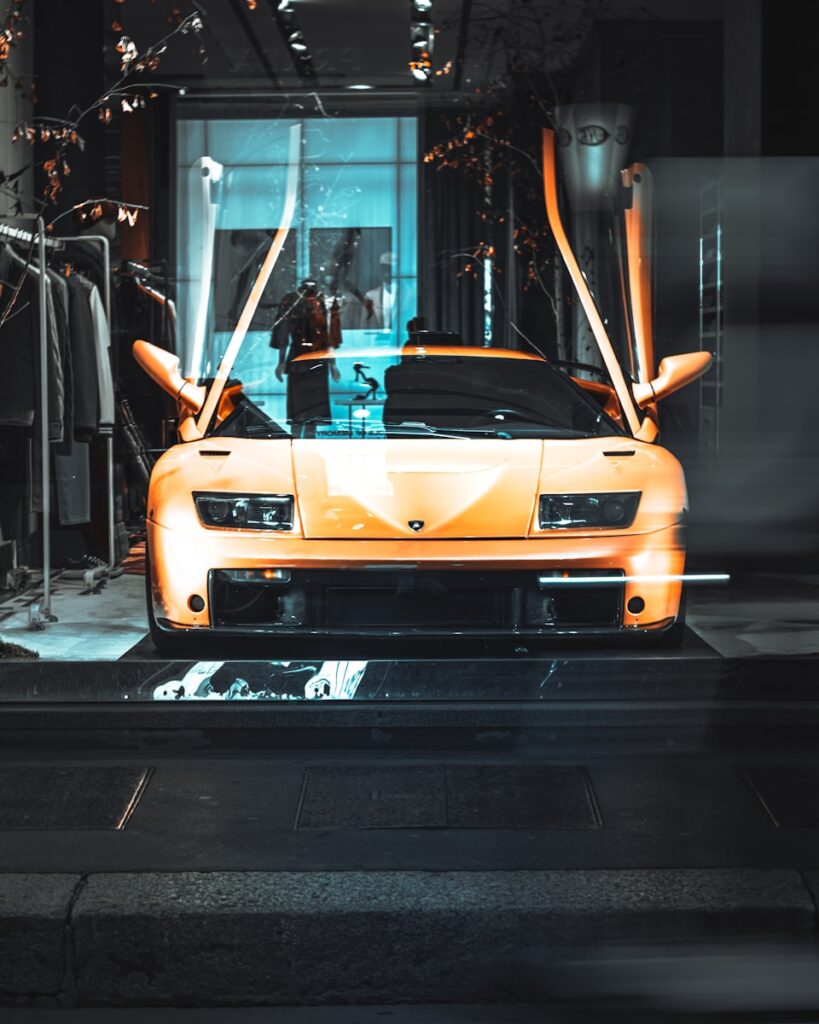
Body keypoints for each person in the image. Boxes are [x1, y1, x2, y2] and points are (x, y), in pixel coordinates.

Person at [270, 278, 341, 433]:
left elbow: (330, 336)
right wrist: (281, 362)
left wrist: (333, 365)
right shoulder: (291, 300)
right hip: (298, 360)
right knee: (297, 413)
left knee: (314, 414)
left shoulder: (324, 301)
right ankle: (294, 441)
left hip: (318, 361)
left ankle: (309, 441)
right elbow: (283, 334)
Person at [365, 251, 398, 329]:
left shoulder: (409, 295)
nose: (387, 270)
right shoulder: (370, 296)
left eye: (390, 267)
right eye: (384, 267)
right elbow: (364, 324)